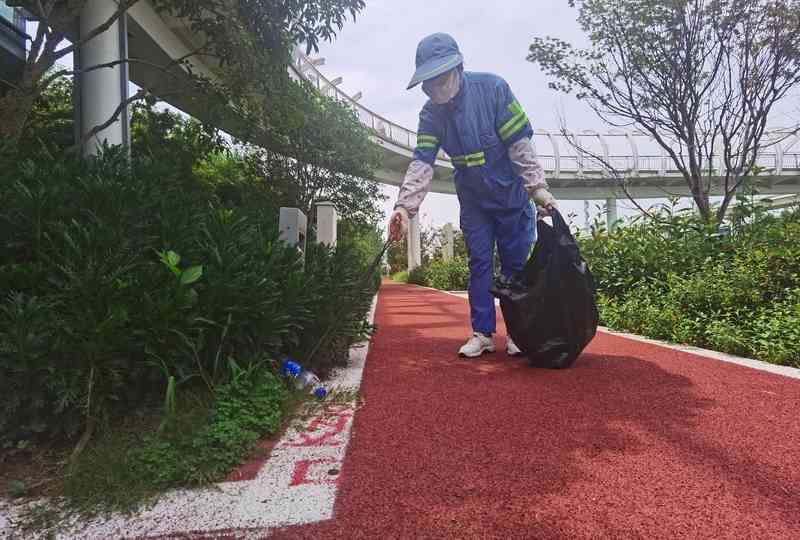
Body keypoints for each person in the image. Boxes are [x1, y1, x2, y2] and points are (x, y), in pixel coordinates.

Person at [388, 32, 557, 358]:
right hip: (474, 201)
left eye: (440, 78)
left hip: (510, 197)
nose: (435, 86)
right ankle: (481, 332)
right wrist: (404, 208)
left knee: (515, 265)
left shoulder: (493, 89)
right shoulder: (430, 114)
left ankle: (518, 332)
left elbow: (520, 146)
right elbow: (422, 162)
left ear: (459, 68)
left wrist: (537, 188)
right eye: (429, 81)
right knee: (479, 263)